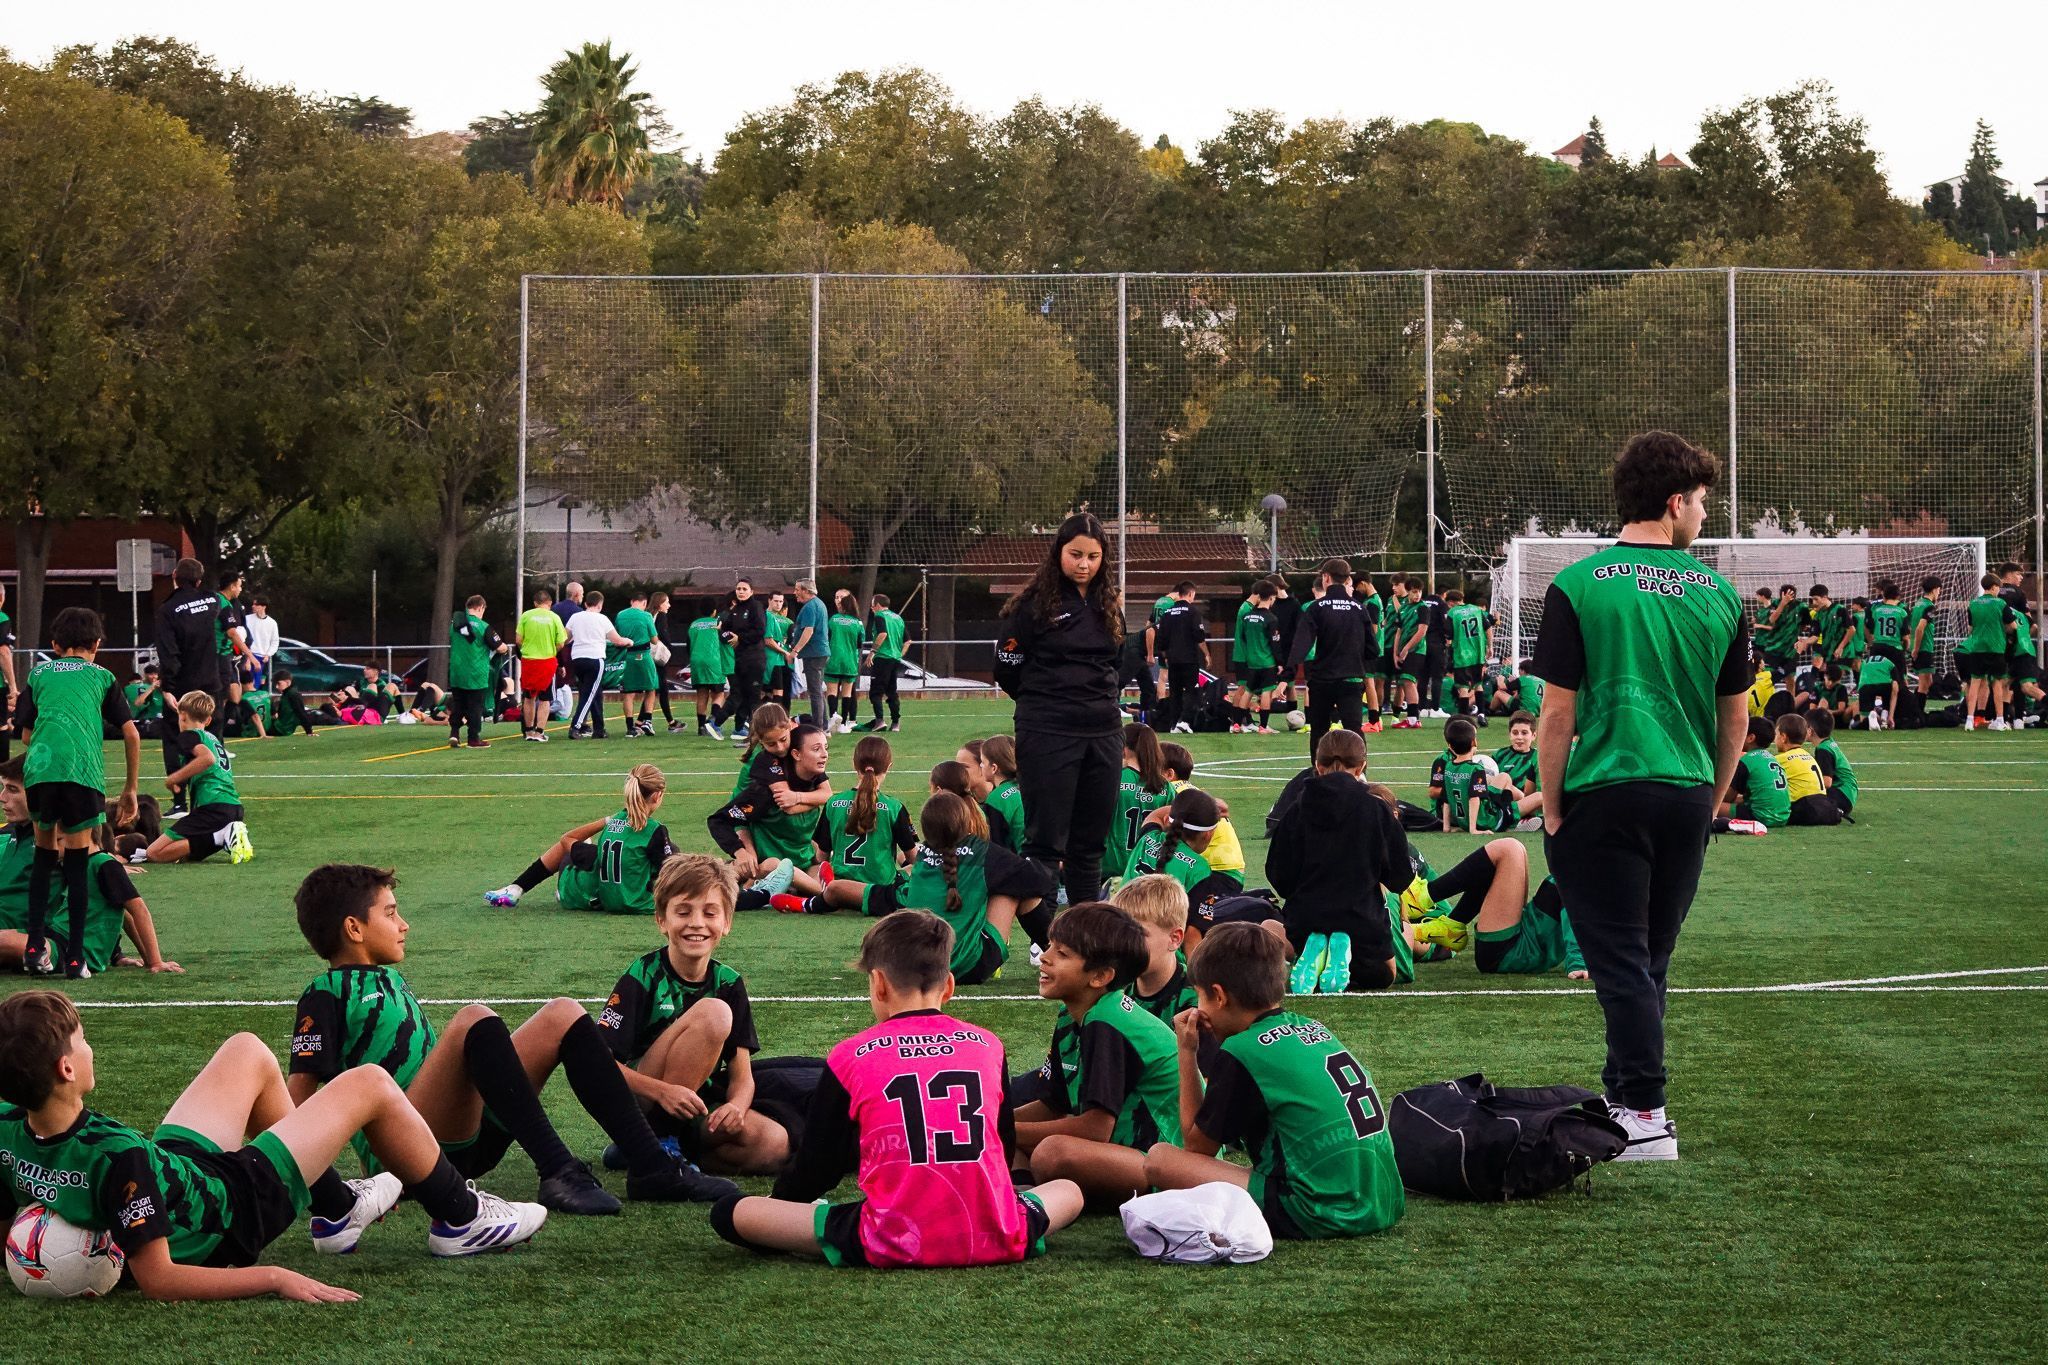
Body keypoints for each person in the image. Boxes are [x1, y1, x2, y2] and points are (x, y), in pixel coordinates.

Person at [0, 991, 549, 1302]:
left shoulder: (9, 1127)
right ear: (67, 1068)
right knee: (370, 1084)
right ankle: (462, 1219)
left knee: (247, 1051)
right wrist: (276, 1278)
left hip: (178, 1179)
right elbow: (161, 1280)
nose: (91, 1047)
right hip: (230, 1210)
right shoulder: (118, 1153)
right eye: (83, 1039)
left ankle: (335, 1208)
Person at [1531, 430, 1749, 1161]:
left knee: (1621, 959)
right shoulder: (1719, 591)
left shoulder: (1579, 584)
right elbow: (1736, 716)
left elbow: (1557, 713)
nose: (1705, 516)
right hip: (1686, 793)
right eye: (1703, 503)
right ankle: (1626, 1094)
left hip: (1605, 790)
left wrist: (1552, 805)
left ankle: (1648, 1112)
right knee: (1650, 956)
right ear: (1673, 501)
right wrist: (1712, 797)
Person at [289, 862, 725, 1210]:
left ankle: (651, 1166)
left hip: (457, 1140)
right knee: (472, 1018)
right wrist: (334, 1194)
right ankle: (558, 1169)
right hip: (403, 1160)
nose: (403, 924)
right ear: (353, 929)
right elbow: (297, 1098)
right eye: (390, 913)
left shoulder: (389, 980)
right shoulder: (325, 993)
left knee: (563, 1012)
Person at [708, 911, 1082, 1266]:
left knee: (731, 1212)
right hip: (995, 1233)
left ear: (879, 983)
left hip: (892, 1236)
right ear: (949, 985)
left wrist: (785, 1210)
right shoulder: (988, 1044)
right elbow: (1002, 1145)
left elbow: (818, 1166)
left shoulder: (849, 1055)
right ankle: (1003, 1209)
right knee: (1069, 1191)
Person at [1137, 923, 1404, 1240]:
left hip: (1318, 1209)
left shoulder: (1243, 1049)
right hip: (1384, 1199)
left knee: (1160, 1160)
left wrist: (1186, 1051)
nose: (1198, 1008)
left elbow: (1196, 1147)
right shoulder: (1315, 1029)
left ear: (1219, 996)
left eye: (1200, 997)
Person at [593, 855, 797, 1176]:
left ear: (726, 922)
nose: (697, 923)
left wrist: (736, 1107)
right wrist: (663, 1091)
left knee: (774, 1145)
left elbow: (742, 1076)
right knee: (714, 1013)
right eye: (683, 911)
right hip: (645, 1101)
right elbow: (599, 1064)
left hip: (695, 1105)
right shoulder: (643, 975)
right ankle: (654, 1140)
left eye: (710, 912)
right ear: (662, 919)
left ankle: (652, 1154)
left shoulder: (729, 982)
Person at [993, 512, 1126, 908]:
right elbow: (1007, 669)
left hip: (1103, 734)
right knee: (1046, 843)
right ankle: (1048, 943)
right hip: (1048, 733)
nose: (1084, 564)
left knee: (1090, 844)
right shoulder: (1033, 605)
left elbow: (1116, 664)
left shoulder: (1108, 604)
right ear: (1058, 553)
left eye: (1093, 556)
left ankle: (1084, 934)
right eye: (1076, 554)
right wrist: (1046, 705)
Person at [1014, 903, 1181, 1203]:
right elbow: (1053, 1104)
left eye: (1062, 954)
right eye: (1050, 946)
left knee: (1052, 1153)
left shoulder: (1107, 1021)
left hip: (1164, 1162)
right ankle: (1022, 1191)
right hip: (1123, 1152)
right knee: (1000, 1134)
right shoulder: (1072, 1013)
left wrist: (1002, 1131)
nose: (1045, 957)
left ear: (1100, 977)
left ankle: (1026, 1192)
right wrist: (991, 1123)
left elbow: (1095, 1129)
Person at [17, 608, 142, 978]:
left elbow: (24, 734)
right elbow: (132, 733)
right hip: (82, 774)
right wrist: (131, 789)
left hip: (40, 771)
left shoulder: (38, 673)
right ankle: (74, 958)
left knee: (42, 855)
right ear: (98, 645)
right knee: (77, 862)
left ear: (54, 645)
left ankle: (35, 945)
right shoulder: (102, 676)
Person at [901, 791, 1055, 985]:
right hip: (968, 967)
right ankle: (1055, 952)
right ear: (968, 822)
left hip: (921, 968)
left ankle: (1054, 951)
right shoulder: (982, 851)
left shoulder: (922, 855)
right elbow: (1039, 882)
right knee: (1015, 886)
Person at [485, 765, 677, 913]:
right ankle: (546, 889)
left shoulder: (613, 823)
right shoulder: (655, 830)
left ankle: (516, 888)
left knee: (584, 846)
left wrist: (608, 820)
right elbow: (671, 874)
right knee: (671, 855)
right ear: (658, 795)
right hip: (623, 900)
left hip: (601, 895)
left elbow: (567, 839)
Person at [773, 736, 916, 917]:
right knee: (914, 868)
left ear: (854, 764)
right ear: (889, 766)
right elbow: (913, 858)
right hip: (879, 888)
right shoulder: (894, 807)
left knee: (825, 866)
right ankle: (816, 899)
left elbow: (820, 855)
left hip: (842, 883)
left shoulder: (834, 803)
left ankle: (822, 893)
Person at [143, 692, 253, 865]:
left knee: (154, 853)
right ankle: (223, 835)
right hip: (233, 808)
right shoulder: (212, 738)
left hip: (213, 808)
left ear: (183, 715)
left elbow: (207, 759)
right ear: (208, 721)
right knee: (184, 857)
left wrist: (173, 778)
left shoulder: (188, 735)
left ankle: (221, 836)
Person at [152, 559, 222, 801]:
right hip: (211, 680)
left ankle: (180, 799)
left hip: (183, 684)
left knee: (176, 739)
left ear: (174, 576)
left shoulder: (168, 610)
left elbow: (169, 653)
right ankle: (216, 793)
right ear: (199, 580)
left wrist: (168, 687)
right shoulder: (212, 601)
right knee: (213, 736)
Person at [1288, 559, 1371, 760]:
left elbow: (1302, 643)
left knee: (1319, 731)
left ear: (1326, 577)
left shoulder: (1317, 607)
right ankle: (1360, 775)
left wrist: (1288, 669)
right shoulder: (1359, 608)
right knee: (1354, 730)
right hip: (1351, 678)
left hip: (1323, 679)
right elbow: (1372, 648)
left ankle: (1319, 774)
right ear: (1347, 579)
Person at [1129, 788, 1241, 915]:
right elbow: (1194, 931)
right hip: (1159, 933)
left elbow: (1156, 815)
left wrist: (1189, 810)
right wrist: (1205, 809)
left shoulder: (1147, 837)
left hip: (1118, 925)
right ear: (1208, 835)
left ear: (1168, 820)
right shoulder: (1199, 868)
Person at [1110, 875, 1197, 1023]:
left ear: (1174, 939)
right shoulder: (1115, 988)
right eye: (1119, 932)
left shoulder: (1197, 1002)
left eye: (1137, 934)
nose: (1123, 943)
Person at [1105, 722, 1172, 885]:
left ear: (1124, 747)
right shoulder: (1165, 786)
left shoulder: (1114, 778)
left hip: (1110, 865)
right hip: (1147, 868)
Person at [447, 594, 510, 750]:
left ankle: (454, 732)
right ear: (480, 607)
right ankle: (473, 739)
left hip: (457, 671)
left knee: (458, 703)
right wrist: (506, 648)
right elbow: (500, 647)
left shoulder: (455, 624)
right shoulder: (483, 626)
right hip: (476, 673)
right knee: (475, 706)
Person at [566, 590, 630, 740]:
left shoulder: (575, 617)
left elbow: (565, 638)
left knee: (593, 693)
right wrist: (629, 641)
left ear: (586, 603)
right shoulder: (602, 619)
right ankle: (576, 726)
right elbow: (617, 640)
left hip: (577, 658)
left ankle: (599, 729)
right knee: (588, 695)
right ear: (600, 605)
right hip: (595, 658)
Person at [1150, 582, 1211, 736]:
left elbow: (1161, 638)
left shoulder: (1168, 612)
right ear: (1190, 594)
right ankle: (1184, 721)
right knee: (1192, 689)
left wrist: (1165, 655)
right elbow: (1199, 635)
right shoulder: (1193, 612)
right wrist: (1207, 654)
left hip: (1172, 659)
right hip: (1189, 658)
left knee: (1175, 692)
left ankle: (1173, 724)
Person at [712, 580, 768, 738]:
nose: (741, 591)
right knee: (743, 694)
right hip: (740, 659)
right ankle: (731, 726)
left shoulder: (756, 607)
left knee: (753, 695)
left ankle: (735, 726)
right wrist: (725, 633)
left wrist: (740, 637)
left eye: (744, 589)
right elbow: (725, 630)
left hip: (755, 658)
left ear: (751, 591)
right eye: (738, 589)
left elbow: (760, 631)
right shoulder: (735, 610)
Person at [1957, 573, 2011, 732]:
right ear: (1994, 587)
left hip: (1977, 648)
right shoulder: (2000, 603)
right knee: (1997, 683)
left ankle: (1969, 719)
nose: (1998, 591)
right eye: (1998, 588)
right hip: (1996, 648)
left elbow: (1970, 628)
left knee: (1974, 683)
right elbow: (2012, 626)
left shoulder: (1973, 604)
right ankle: (2000, 720)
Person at [1428, 716, 1499, 834]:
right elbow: (1434, 792)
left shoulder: (1450, 765)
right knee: (1505, 781)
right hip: (1476, 818)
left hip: (1458, 815)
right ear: (1473, 742)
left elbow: (1447, 796)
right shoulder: (1445, 761)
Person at [1228, 581, 1283, 734]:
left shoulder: (1247, 616)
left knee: (1248, 691)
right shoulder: (1271, 619)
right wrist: (1280, 662)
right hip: (1266, 661)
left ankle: (1237, 724)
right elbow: (1275, 642)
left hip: (1251, 662)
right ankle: (1263, 727)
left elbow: (1243, 637)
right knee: (1266, 692)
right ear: (1271, 598)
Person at [1718, 717, 1790, 828]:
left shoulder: (1746, 760)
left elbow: (1727, 797)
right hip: (1782, 816)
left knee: (1713, 805)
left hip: (1761, 816)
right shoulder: (1772, 758)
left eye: (1741, 733)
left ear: (1750, 738)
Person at [515, 587, 567, 742]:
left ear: (535, 603)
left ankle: (529, 731)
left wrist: (527, 649)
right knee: (545, 698)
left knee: (529, 697)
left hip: (529, 661)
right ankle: (539, 732)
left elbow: (518, 640)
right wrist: (551, 650)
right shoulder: (554, 617)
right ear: (550, 603)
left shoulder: (526, 616)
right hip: (546, 661)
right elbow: (561, 643)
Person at [609, 589, 660, 740]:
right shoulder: (646, 615)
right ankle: (648, 721)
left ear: (631, 602)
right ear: (644, 603)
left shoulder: (621, 615)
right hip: (643, 656)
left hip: (626, 656)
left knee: (628, 693)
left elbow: (616, 636)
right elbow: (654, 640)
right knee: (651, 688)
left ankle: (630, 727)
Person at [1772, 713, 1839, 825]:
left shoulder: (1780, 759)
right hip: (1824, 806)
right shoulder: (1809, 756)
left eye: (1776, 734)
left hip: (1803, 808)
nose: (1775, 739)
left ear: (1783, 737)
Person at [686, 598, 735, 739]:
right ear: (714, 611)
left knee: (701, 694)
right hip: (714, 661)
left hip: (696, 661)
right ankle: (713, 720)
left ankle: (701, 727)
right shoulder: (717, 623)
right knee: (718, 694)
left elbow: (688, 645)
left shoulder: (693, 625)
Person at [863, 593, 910, 733]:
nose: (871, 608)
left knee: (875, 692)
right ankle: (895, 723)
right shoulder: (898, 618)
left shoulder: (879, 616)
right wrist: (898, 654)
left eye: (872, 604)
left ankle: (880, 721)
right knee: (891, 692)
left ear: (877, 605)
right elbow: (908, 641)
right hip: (894, 659)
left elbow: (882, 634)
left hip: (882, 658)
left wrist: (872, 653)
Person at [788, 579, 832, 730]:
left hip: (814, 654)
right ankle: (823, 726)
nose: (795, 593)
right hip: (819, 653)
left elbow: (808, 630)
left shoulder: (810, 607)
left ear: (806, 591)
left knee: (814, 692)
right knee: (818, 691)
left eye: (797, 589)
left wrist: (795, 651)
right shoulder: (819, 604)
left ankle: (818, 728)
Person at [823, 591, 866, 735]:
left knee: (832, 691)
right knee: (847, 693)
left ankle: (833, 715)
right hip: (850, 662)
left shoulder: (833, 619)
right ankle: (843, 723)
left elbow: (827, 637)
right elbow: (860, 643)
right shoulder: (858, 623)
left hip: (833, 659)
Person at [976, 734, 1027, 853]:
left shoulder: (996, 799)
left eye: (983, 762)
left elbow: (997, 846)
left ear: (994, 768)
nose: (980, 765)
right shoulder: (1027, 786)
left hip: (1022, 863)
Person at [1805, 707, 1858, 818]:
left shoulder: (1823, 750)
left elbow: (1826, 782)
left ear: (1810, 730)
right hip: (1848, 794)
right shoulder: (1828, 742)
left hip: (1841, 795)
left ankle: (1834, 810)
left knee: (1806, 801)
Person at [1903, 577, 1941, 728]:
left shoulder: (1917, 604)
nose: (1939, 592)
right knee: (1924, 684)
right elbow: (1919, 628)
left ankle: (1917, 712)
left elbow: (1911, 627)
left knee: (1926, 682)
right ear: (1934, 589)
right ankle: (1917, 714)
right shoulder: (1930, 607)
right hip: (1924, 649)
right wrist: (1916, 649)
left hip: (1919, 647)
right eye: (1939, 589)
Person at [760, 591, 795, 711]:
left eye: (781, 601)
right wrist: (785, 652)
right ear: (769, 601)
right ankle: (773, 720)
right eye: (776, 601)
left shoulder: (774, 617)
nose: (778, 604)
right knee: (776, 691)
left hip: (776, 659)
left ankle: (768, 720)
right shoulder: (768, 615)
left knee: (770, 691)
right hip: (771, 660)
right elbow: (768, 641)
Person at [269, 671, 318, 738]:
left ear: (288, 682)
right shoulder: (286, 693)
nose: (276, 686)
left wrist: (309, 731)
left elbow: (301, 713)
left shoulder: (293, 694)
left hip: (281, 729)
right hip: (279, 726)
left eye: (278, 683)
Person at [125, 664, 168, 738]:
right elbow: (138, 703)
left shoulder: (162, 687)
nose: (154, 676)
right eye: (151, 674)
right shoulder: (143, 687)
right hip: (149, 720)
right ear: (145, 675)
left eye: (155, 674)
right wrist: (151, 688)